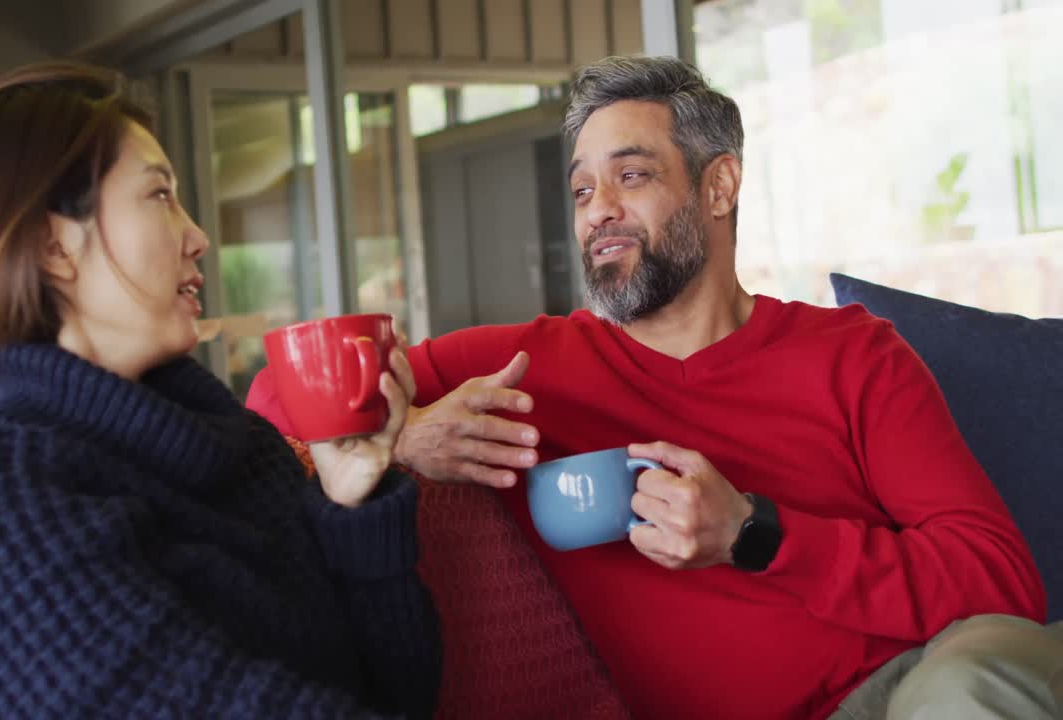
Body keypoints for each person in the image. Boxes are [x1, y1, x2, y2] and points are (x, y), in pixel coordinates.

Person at [248, 55, 1063, 719]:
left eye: (630, 177)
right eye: (580, 189)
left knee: (973, 687)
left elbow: (1002, 580)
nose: (597, 210)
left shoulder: (852, 355)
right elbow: (273, 405)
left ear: (718, 187)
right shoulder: (528, 367)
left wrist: (756, 532)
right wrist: (409, 432)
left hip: (914, 688)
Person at [0, 61, 441, 720]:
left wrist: (355, 504)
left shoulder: (249, 451)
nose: (199, 237)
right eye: (160, 195)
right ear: (52, 246)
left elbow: (397, 697)